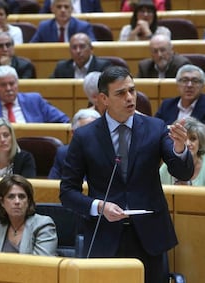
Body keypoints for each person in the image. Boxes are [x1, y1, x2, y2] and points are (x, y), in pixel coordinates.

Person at [59, 66, 194, 283]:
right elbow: (67, 192)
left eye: (132, 90)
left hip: (150, 237)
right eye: (121, 93)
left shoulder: (155, 127)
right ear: (104, 98)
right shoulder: (85, 137)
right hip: (105, 237)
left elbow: (182, 171)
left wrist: (179, 149)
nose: (130, 97)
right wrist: (100, 207)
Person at [0, 65, 70, 123]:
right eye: (3, 85)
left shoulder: (35, 100)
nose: (8, 88)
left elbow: (64, 121)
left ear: (17, 84)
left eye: (11, 84)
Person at [0, 174, 58, 255]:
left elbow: (42, 264)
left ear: (28, 201)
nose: (17, 201)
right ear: (2, 202)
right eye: (11, 197)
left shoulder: (43, 225)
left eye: (21, 197)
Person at [48, 108, 100, 179]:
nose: (90, 135)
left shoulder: (110, 153)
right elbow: (52, 184)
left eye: (94, 131)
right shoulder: (63, 153)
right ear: (73, 133)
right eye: (84, 131)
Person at [160, 117, 205, 186]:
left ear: (200, 142)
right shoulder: (166, 167)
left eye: (193, 139)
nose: (187, 143)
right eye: (183, 139)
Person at [30, 0, 96, 43]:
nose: (63, 10)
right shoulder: (44, 27)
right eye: (59, 7)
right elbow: (32, 48)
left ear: (72, 9)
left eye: (66, 7)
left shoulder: (83, 27)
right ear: (52, 9)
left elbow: (92, 46)